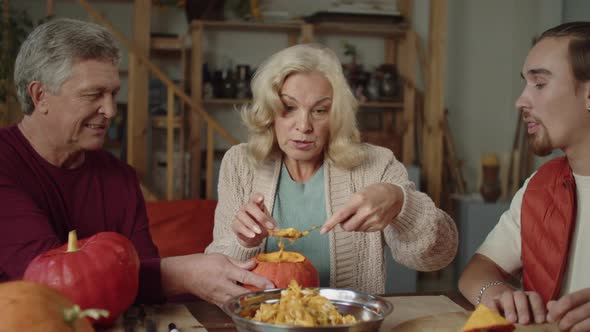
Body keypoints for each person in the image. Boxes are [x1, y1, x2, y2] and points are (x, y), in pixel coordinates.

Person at [0, 18, 273, 307]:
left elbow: (143, 282)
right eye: (93, 95)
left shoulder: (120, 177)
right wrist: (184, 274)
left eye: (113, 93)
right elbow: (48, 283)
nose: (110, 110)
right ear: (40, 95)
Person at [205, 43, 458, 294]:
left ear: (336, 115)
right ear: (270, 111)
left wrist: (402, 204)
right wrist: (243, 243)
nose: (304, 126)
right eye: (289, 107)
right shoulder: (239, 164)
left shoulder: (377, 165)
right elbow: (216, 277)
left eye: (320, 110)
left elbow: (438, 256)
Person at [458, 22, 590, 331]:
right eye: (525, 84)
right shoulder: (540, 186)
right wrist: (494, 291)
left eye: (540, 84)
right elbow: (477, 271)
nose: (521, 101)